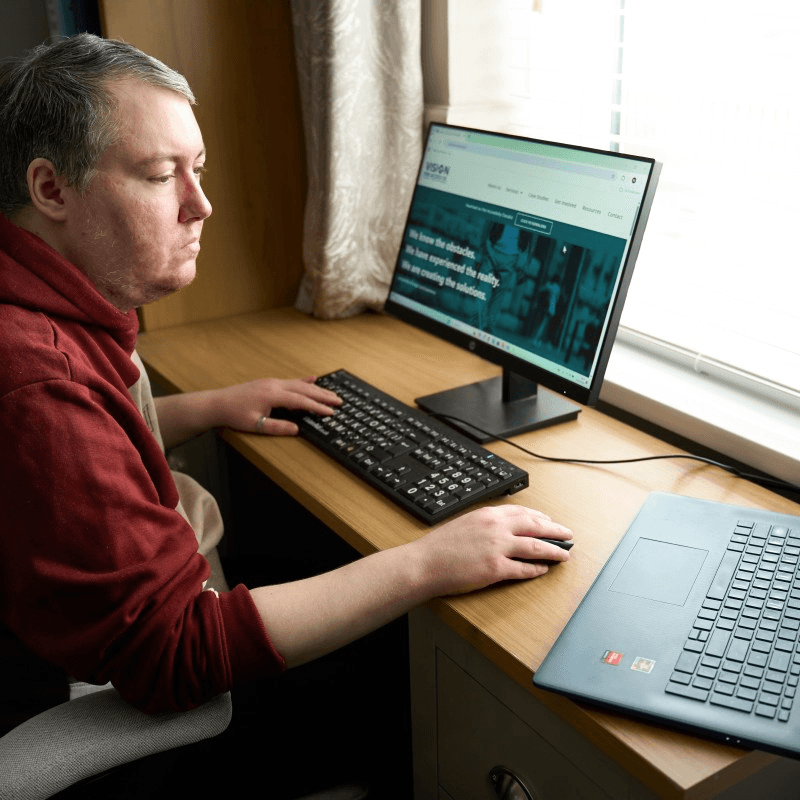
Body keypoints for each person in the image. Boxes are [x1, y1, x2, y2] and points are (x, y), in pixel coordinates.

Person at [0, 33, 572, 795]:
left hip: (76, 630)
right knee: (404, 669)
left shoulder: (41, 306)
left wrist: (208, 405)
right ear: (52, 189)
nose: (200, 205)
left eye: (197, 169)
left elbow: (80, 448)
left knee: (317, 562)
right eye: (159, 174)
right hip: (129, 696)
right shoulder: (39, 378)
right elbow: (177, 655)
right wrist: (429, 561)